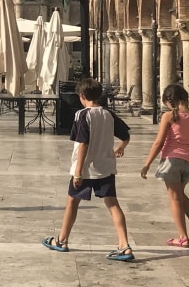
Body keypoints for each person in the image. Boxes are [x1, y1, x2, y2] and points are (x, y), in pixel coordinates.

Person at [44, 79, 134, 261]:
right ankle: (124, 245)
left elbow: (83, 143)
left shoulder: (82, 115)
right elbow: (125, 134)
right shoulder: (108, 114)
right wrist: (120, 147)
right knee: (113, 204)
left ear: (82, 96)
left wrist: (78, 172)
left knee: (72, 203)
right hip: (106, 168)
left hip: (85, 169)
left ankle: (61, 240)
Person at [139, 83, 189, 247]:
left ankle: (183, 237)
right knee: (180, 194)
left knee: (174, 199)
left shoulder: (169, 116)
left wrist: (147, 164)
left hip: (172, 160)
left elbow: (159, 142)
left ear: (170, 101)